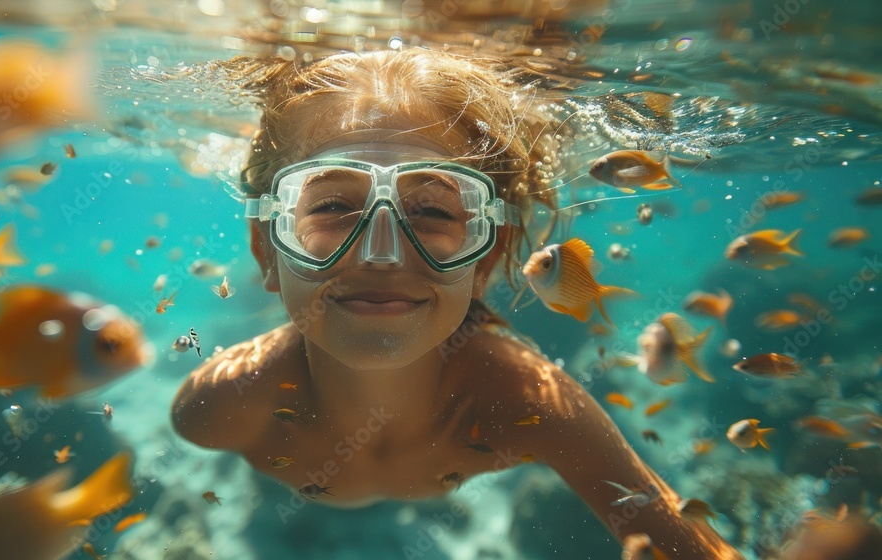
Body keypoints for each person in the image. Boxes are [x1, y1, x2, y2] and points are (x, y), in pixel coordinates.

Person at [171, 48, 742, 559]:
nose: (382, 255)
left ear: (486, 260)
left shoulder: (533, 403)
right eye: (331, 208)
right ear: (266, 250)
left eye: (435, 212)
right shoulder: (218, 405)